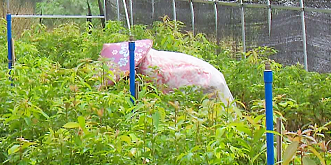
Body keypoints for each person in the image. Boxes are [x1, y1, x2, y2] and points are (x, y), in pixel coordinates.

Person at [100, 39, 233, 105]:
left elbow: (156, 98)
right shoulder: (145, 59)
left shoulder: (148, 68)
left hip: (205, 80)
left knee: (218, 114)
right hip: (205, 74)